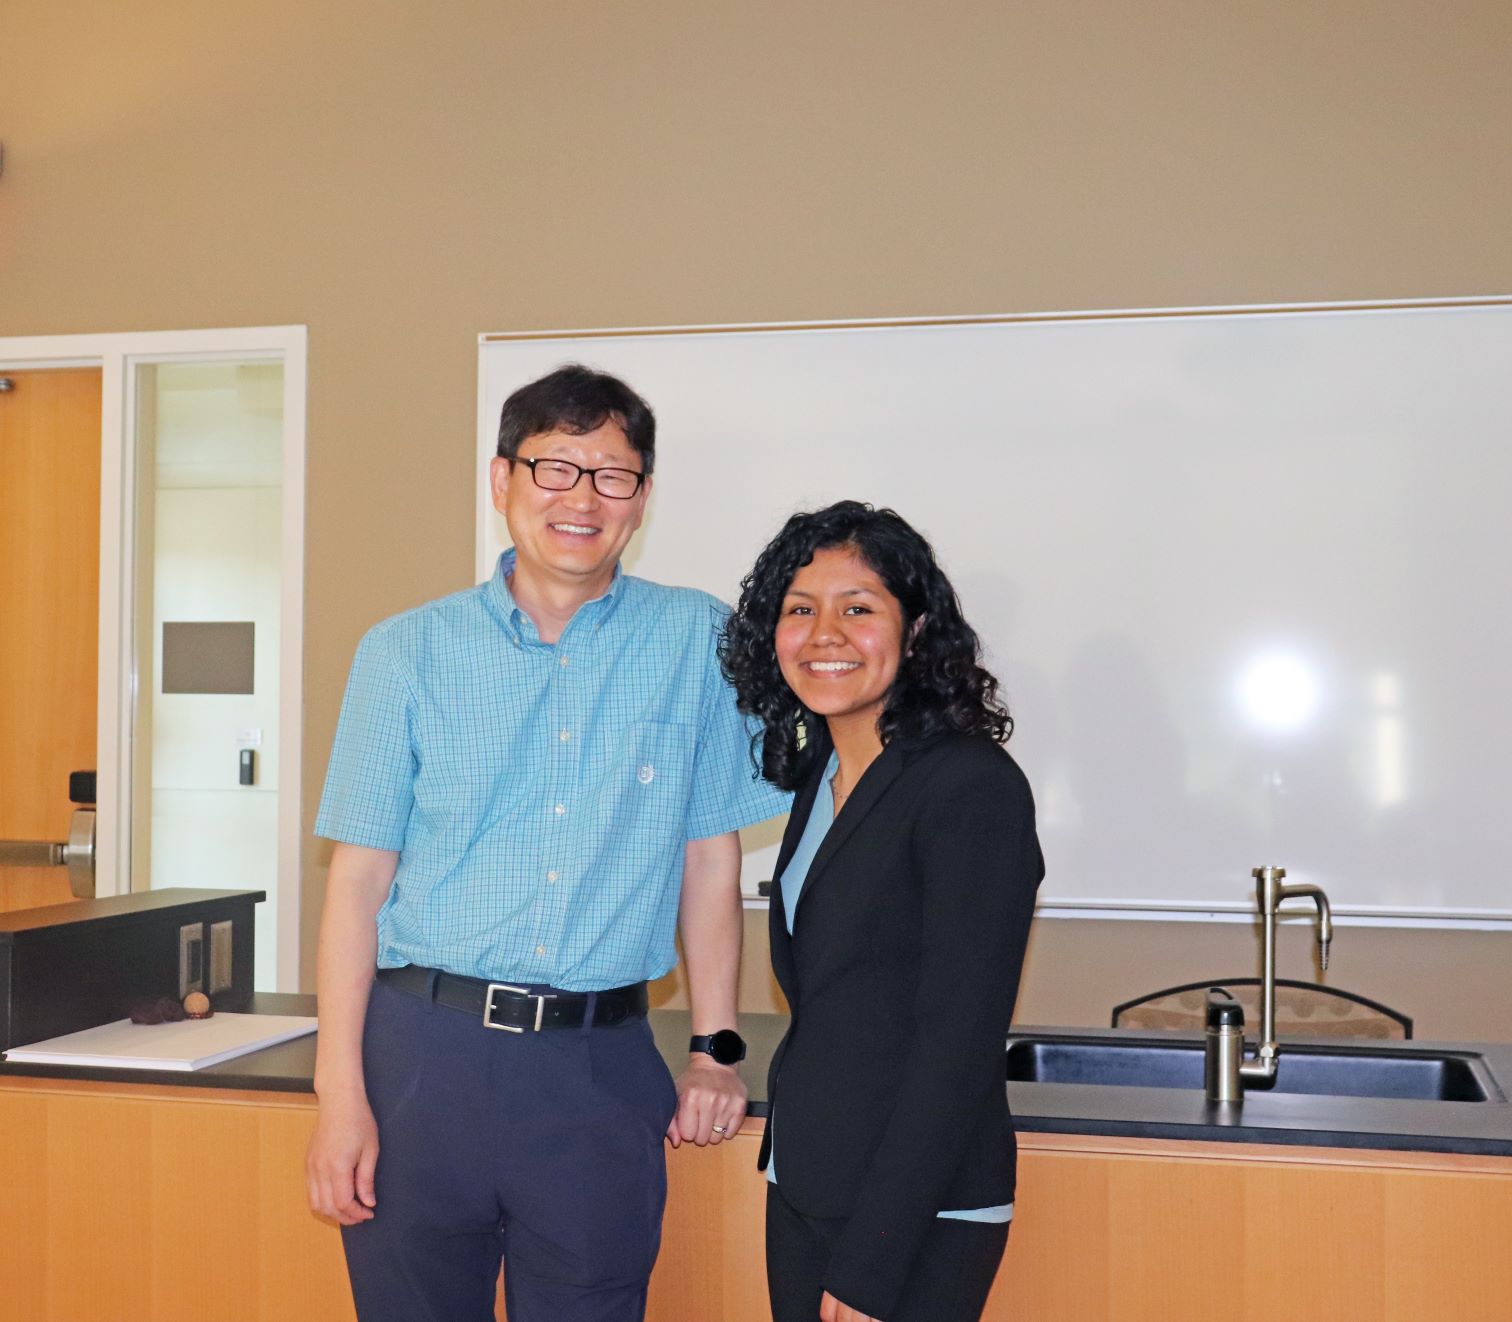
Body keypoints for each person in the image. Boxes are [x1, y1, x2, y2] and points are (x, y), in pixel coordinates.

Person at [306, 364, 788, 1322]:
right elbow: (356, 884)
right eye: (555, 468)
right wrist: (339, 1099)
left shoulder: (698, 639)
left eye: (612, 475)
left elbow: (709, 860)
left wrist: (715, 1049)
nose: (582, 498)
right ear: (502, 481)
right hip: (419, 1062)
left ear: (641, 498)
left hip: (597, 1070)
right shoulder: (403, 652)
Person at [720, 501, 1044, 1322]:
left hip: (913, 1214)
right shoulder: (824, 772)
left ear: (916, 631)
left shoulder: (970, 786)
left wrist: (872, 1262)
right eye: (800, 610)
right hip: (808, 1184)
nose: (824, 633)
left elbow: (957, 1046)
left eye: (857, 609)